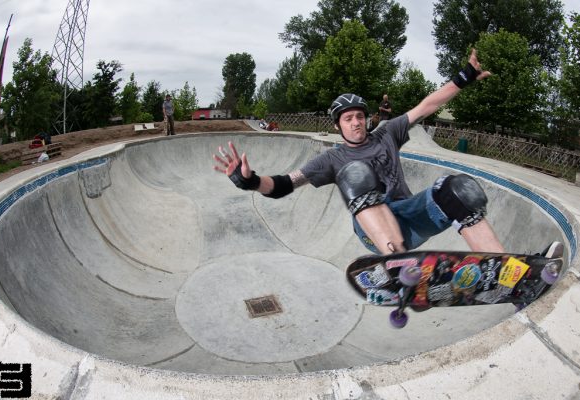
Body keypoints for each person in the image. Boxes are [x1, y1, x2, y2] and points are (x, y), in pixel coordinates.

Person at [213, 49, 504, 256]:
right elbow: (284, 184)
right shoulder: (331, 159)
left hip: (410, 221)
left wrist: (464, 77)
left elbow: (426, 107)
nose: (356, 123)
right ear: (338, 125)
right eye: (347, 119)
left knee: (461, 189)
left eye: (359, 117)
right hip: (374, 233)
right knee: (356, 173)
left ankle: (502, 269)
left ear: (366, 118)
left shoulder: (388, 132)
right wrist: (250, 181)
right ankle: (398, 266)